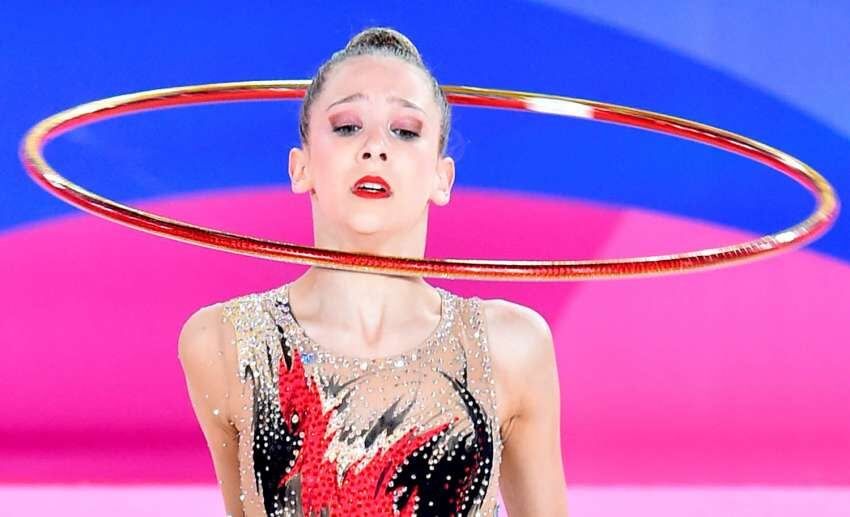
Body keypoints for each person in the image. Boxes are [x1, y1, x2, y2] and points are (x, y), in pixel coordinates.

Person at [178, 26, 568, 516]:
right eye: (346, 126)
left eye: (404, 131)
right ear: (301, 168)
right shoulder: (222, 343)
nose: (374, 147)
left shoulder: (511, 347)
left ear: (441, 178)